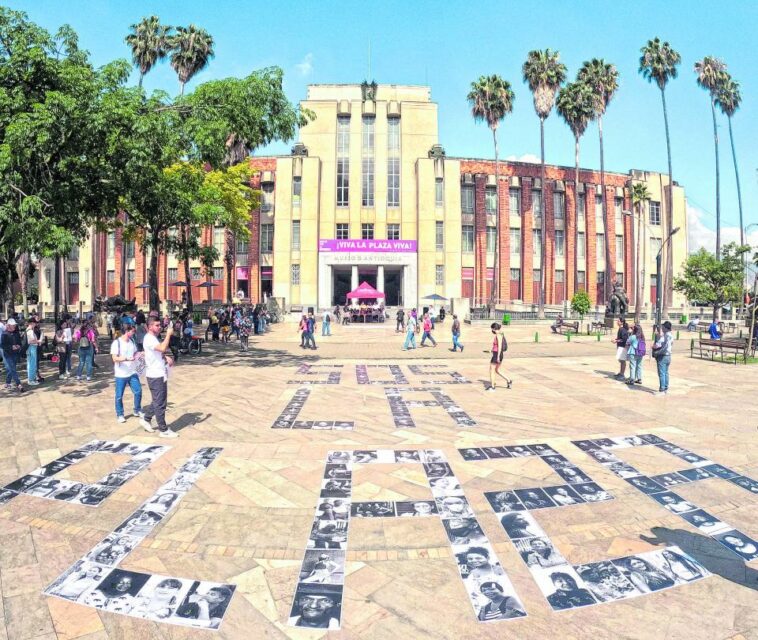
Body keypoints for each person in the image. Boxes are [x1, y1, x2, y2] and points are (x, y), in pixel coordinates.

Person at [139, 317, 178, 438]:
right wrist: (168, 335)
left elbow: (157, 352)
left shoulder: (152, 338)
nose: (159, 327)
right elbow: (162, 348)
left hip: (160, 372)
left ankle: (146, 419)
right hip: (155, 375)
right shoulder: (149, 338)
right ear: (150, 326)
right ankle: (163, 429)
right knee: (160, 403)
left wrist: (166, 358)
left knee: (159, 400)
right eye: (156, 325)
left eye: (160, 325)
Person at [110, 317, 143, 424]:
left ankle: (137, 410)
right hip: (121, 374)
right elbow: (114, 358)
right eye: (132, 331)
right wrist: (126, 359)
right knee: (119, 395)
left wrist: (140, 354)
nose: (133, 333)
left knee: (138, 391)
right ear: (127, 331)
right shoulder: (117, 343)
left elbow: (134, 353)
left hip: (132, 372)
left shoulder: (132, 342)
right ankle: (120, 414)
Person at [2, 319, 24, 392]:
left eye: (15, 325)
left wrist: (18, 346)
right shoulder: (4, 334)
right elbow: (3, 345)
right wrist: (11, 347)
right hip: (8, 355)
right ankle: (19, 384)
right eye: (13, 325)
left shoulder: (16, 333)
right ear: (8, 326)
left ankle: (7, 383)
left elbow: (20, 343)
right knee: (13, 369)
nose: (14, 326)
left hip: (15, 354)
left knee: (12, 368)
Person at [488, 322, 510, 391]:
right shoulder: (500, 333)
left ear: (494, 328)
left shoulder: (498, 335)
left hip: (497, 354)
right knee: (497, 370)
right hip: (497, 353)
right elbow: (496, 345)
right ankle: (508, 380)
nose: (492, 330)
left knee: (492, 370)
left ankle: (492, 387)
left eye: (492, 329)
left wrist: (497, 357)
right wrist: (491, 350)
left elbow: (500, 346)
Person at [653, 321, 673, 395]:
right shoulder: (670, 335)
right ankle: (666, 388)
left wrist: (654, 348)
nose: (662, 328)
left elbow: (659, 345)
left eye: (663, 327)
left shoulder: (666, 336)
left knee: (661, 373)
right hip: (668, 356)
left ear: (666, 328)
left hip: (663, 356)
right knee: (666, 372)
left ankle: (662, 389)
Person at [25, 316, 40, 386]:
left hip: (31, 348)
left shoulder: (29, 330)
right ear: (32, 323)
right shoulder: (30, 331)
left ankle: (32, 379)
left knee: (31, 364)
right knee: (32, 364)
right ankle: (31, 380)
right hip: (31, 348)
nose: (35, 324)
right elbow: (30, 341)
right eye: (34, 323)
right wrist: (38, 341)